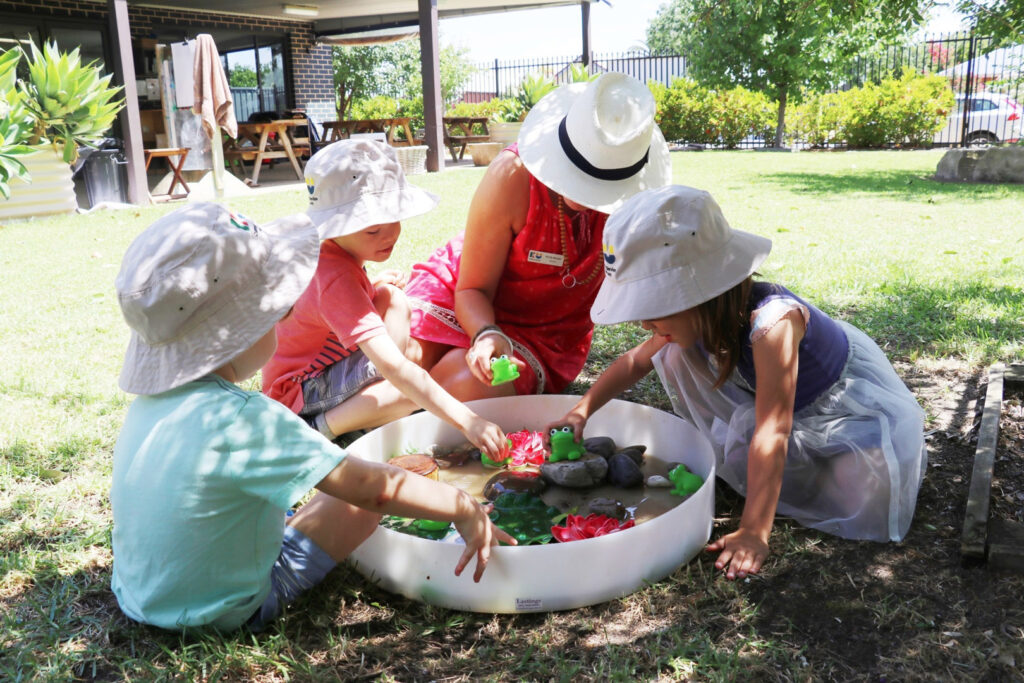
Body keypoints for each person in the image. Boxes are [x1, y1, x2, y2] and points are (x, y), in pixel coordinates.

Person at [111, 203, 514, 632]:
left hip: (140, 597)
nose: (286, 317)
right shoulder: (249, 419)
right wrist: (461, 505)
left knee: (320, 488)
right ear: (244, 330)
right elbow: (372, 491)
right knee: (371, 486)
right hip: (225, 611)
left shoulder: (150, 405)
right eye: (279, 313)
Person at [553, 185, 927, 581]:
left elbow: (773, 430)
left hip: (836, 411)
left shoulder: (773, 325)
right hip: (777, 404)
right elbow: (633, 363)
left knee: (858, 496)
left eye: (653, 308)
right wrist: (582, 409)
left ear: (699, 293)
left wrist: (754, 530)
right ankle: (800, 471)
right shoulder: (699, 317)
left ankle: (823, 466)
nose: (644, 324)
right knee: (673, 350)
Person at [404, 72, 671, 399]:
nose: (586, 194)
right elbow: (472, 287)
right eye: (581, 175)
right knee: (404, 362)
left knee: (460, 384)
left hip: (544, 336)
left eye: (602, 185)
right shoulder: (513, 176)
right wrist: (485, 333)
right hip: (465, 294)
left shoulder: (640, 204)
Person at [261, 140, 508, 459]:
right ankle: (319, 428)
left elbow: (326, 307)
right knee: (408, 391)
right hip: (298, 391)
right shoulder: (335, 276)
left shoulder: (332, 254)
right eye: (373, 230)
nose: (389, 235)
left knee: (391, 297)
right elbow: (395, 367)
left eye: (394, 220)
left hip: (316, 367)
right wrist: (468, 421)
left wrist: (370, 287)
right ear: (337, 226)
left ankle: (362, 413)